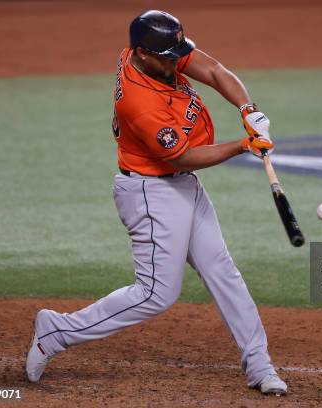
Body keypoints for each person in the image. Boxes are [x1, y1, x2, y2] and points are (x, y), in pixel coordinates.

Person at [25, 10, 287, 396]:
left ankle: (259, 364)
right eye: (167, 55)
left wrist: (249, 110)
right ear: (143, 54)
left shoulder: (153, 54)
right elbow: (180, 156)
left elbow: (213, 70)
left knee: (222, 270)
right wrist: (243, 145)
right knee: (155, 294)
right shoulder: (139, 101)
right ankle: (58, 330)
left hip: (181, 186)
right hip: (151, 193)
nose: (174, 61)